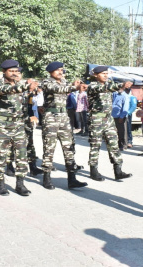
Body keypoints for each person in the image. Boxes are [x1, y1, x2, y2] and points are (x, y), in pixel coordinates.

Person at [0, 59, 38, 196]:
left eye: (16, 71)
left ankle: (20, 184)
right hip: (2, 125)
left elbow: (24, 105)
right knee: (1, 155)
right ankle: (0, 184)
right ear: (4, 72)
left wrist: (29, 117)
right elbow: (8, 90)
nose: (14, 73)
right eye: (11, 71)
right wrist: (25, 87)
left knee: (21, 155)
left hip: (19, 125)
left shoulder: (20, 85)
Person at [40, 61, 88, 190]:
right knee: (49, 148)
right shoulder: (46, 82)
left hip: (64, 117)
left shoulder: (64, 82)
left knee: (69, 148)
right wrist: (74, 87)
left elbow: (67, 88)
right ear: (51, 71)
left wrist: (77, 86)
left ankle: (72, 179)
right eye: (58, 70)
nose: (61, 72)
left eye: (62, 70)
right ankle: (47, 178)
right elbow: (57, 89)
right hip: (51, 117)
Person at [87, 66, 133, 181]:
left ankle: (118, 171)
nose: (106, 75)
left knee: (114, 145)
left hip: (109, 119)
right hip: (96, 119)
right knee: (95, 145)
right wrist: (119, 85)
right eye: (103, 73)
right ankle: (93, 171)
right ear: (96, 75)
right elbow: (106, 88)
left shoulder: (108, 84)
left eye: (107, 73)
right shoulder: (93, 85)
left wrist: (122, 87)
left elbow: (112, 89)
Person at [111, 86, 129, 151]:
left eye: (120, 87)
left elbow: (125, 108)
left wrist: (121, 117)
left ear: (123, 88)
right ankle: (118, 144)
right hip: (114, 115)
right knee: (116, 132)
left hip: (120, 116)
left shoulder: (125, 96)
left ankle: (123, 145)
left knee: (122, 132)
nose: (118, 89)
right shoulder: (115, 94)